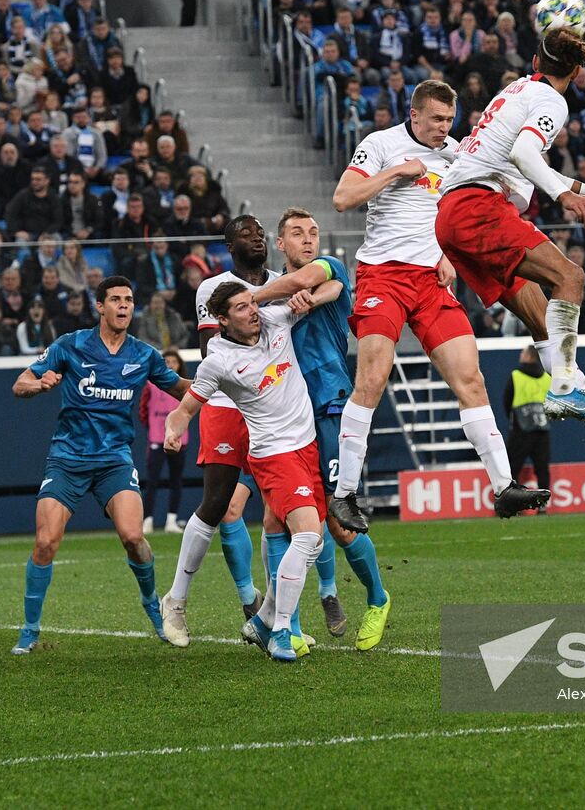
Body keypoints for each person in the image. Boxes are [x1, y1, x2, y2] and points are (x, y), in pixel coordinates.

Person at [327, 79, 548, 529]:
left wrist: (450, 255)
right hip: (383, 275)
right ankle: (345, 494)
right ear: (414, 114)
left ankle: (503, 488)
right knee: (372, 377)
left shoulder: (459, 154)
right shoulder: (381, 144)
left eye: (449, 120)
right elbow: (342, 198)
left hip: (431, 281)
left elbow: (474, 210)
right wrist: (395, 173)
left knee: (472, 379)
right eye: (436, 120)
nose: (443, 128)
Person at [436, 27, 585, 461]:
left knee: (542, 320)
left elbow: (524, 158)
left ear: (537, 62)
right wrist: (566, 197)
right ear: (577, 73)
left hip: (453, 217)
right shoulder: (552, 102)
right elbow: (524, 154)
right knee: (570, 277)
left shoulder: (518, 90)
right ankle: (562, 392)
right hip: (479, 208)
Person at [9, 275, 191, 655]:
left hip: (114, 461)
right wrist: (39, 385)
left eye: (128, 299)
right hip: (67, 459)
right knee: (45, 542)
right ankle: (29, 630)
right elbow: (19, 383)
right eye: (116, 300)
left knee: (133, 538)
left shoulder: (144, 354)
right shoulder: (71, 345)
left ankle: (153, 606)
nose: (124, 306)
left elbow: (183, 390)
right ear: (100, 306)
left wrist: (227, 382)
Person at [249, 208, 392, 650]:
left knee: (337, 519)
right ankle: (284, 625)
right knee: (279, 519)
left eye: (313, 232)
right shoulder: (273, 299)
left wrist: (265, 296)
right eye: (297, 233)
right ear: (280, 244)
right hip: (287, 421)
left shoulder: (327, 270)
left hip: (329, 408)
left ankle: (377, 598)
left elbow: (327, 286)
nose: (308, 239)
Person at [161, 282, 325, 662]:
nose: (252, 310)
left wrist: (311, 294)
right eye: (241, 307)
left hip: (307, 446)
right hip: (273, 453)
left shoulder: (274, 316)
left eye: (253, 303)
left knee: (312, 540)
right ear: (222, 319)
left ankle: (265, 617)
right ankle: (281, 630)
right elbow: (186, 408)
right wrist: (174, 429)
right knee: (301, 535)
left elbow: (334, 283)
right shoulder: (218, 360)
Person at [139, 348, 187, 536]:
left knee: (176, 480)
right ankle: (148, 521)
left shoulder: (184, 387)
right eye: (166, 361)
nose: (170, 365)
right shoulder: (151, 385)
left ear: (179, 364)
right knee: (152, 481)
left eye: (174, 362)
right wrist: (153, 429)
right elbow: (143, 411)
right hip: (157, 439)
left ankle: (171, 521)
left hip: (179, 440)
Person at [503, 345, 552, 503]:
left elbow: (506, 401)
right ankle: (543, 505)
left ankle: (512, 503)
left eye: (523, 352)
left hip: (520, 430)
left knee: (512, 468)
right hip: (542, 429)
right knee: (542, 469)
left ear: (530, 357)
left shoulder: (516, 375)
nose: (520, 354)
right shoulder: (547, 378)